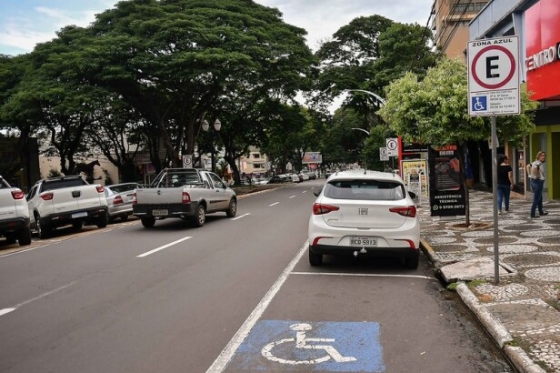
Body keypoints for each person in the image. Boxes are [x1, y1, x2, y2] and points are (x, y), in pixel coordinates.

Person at [529, 151, 548, 218]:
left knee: (540, 197)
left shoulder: (534, 162)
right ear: (538, 156)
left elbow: (527, 166)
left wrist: (529, 174)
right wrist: (538, 176)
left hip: (532, 181)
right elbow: (535, 168)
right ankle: (532, 214)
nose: (544, 157)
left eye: (544, 155)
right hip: (538, 182)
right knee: (536, 199)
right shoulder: (538, 163)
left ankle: (540, 211)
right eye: (542, 155)